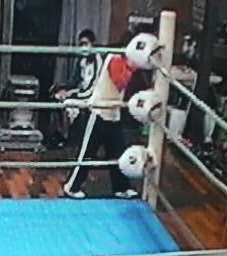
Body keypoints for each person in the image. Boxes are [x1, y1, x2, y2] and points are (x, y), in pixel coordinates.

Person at [62, 34, 155, 200]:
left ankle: (121, 187)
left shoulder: (125, 62)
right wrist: (133, 68)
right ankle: (72, 186)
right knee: (87, 153)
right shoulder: (115, 59)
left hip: (113, 113)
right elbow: (120, 82)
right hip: (98, 112)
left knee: (118, 153)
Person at [51, 29, 103, 147]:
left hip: (92, 95)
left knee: (67, 103)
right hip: (81, 91)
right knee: (57, 97)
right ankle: (62, 134)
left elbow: (93, 86)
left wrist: (72, 93)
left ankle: (68, 138)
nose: (83, 47)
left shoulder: (97, 59)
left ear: (92, 44)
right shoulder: (81, 59)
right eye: (81, 44)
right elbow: (75, 80)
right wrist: (62, 88)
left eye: (85, 44)